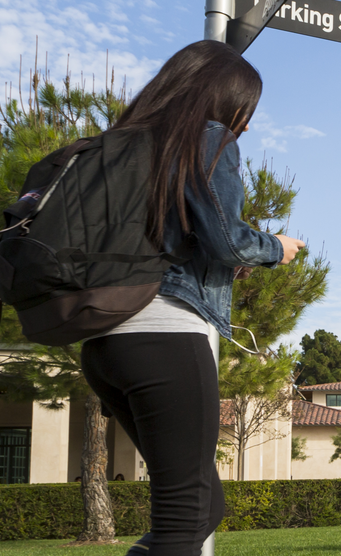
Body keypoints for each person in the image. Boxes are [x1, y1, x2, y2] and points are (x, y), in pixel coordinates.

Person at [79, 40, 305, 556]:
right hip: (165, 336)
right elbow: (227, 238)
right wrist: (275, 248)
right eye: (244, 110)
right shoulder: (207, 137)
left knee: (202, 507)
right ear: (223, 99)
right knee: (186, 516)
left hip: (104, 346)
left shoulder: (125, 141)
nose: (245, 125)